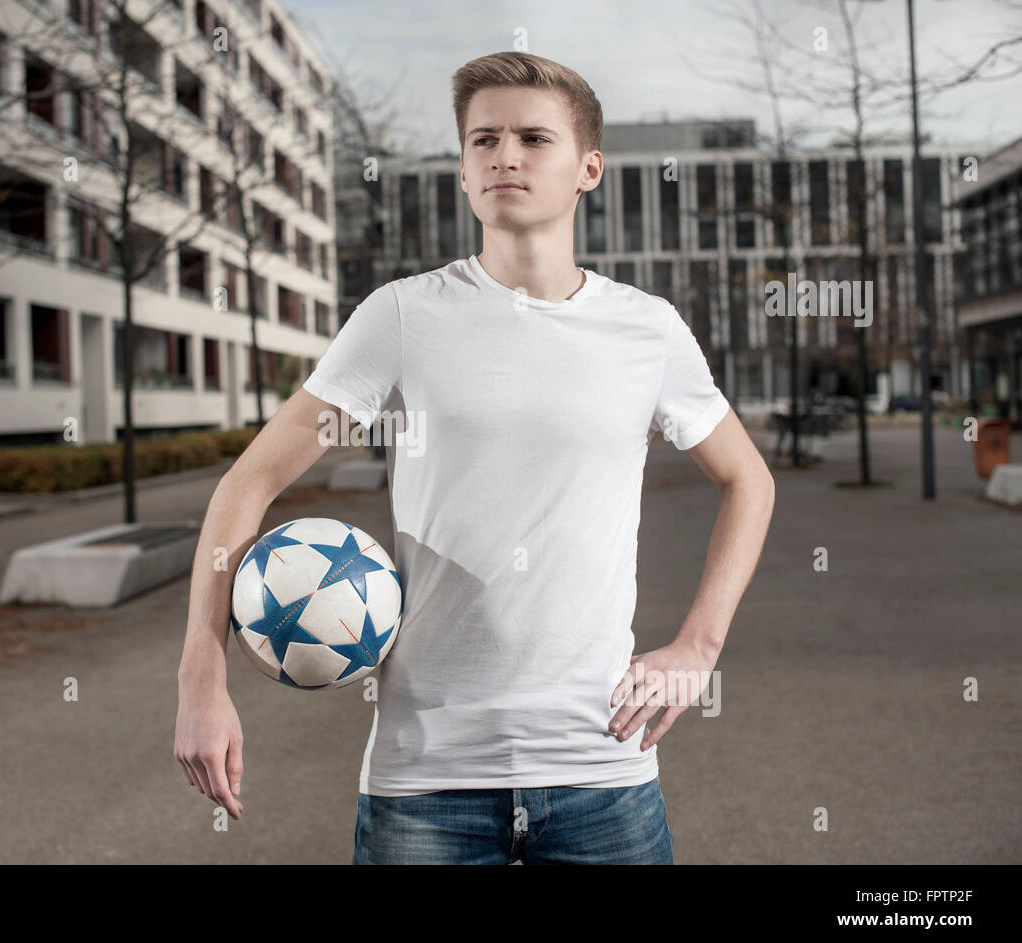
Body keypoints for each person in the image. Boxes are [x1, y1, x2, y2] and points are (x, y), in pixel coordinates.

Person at [174, 51, 775, 865]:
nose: (506, 155)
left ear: (587, 168)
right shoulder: (401, 316)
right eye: (484, 139)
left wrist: (698, 647)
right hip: (427, 779)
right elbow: (248, 482)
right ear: (462, 169)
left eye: (534, 137)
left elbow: (749, 479)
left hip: (602, 766)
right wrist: (200, 683)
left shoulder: (649, 329)